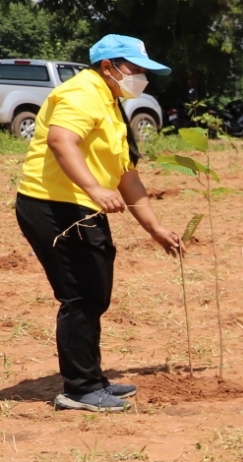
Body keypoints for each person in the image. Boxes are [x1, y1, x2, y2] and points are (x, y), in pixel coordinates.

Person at [14, 35, 183, 412]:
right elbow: (61, 141)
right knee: (81, 295)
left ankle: (92, 378)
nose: (141, 78)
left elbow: (127, 176)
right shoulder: (83, 93)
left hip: (81, 207)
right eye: (135, 69)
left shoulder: (111, 103)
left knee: (95, 292)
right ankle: (80, 389)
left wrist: (154, 228)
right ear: (108, 67)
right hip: (53, 205)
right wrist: (93, 186)